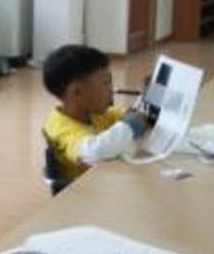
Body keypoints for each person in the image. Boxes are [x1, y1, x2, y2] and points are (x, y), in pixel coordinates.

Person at [42, 44, 151, 183]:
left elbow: (135, 116)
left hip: (105, 181)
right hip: (84, 191)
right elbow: (93, 152)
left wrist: (148, 97)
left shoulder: (94, 113)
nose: (111, 90)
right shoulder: (60, 128)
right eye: (106, 83)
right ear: (76, 91)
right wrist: (130, 126)